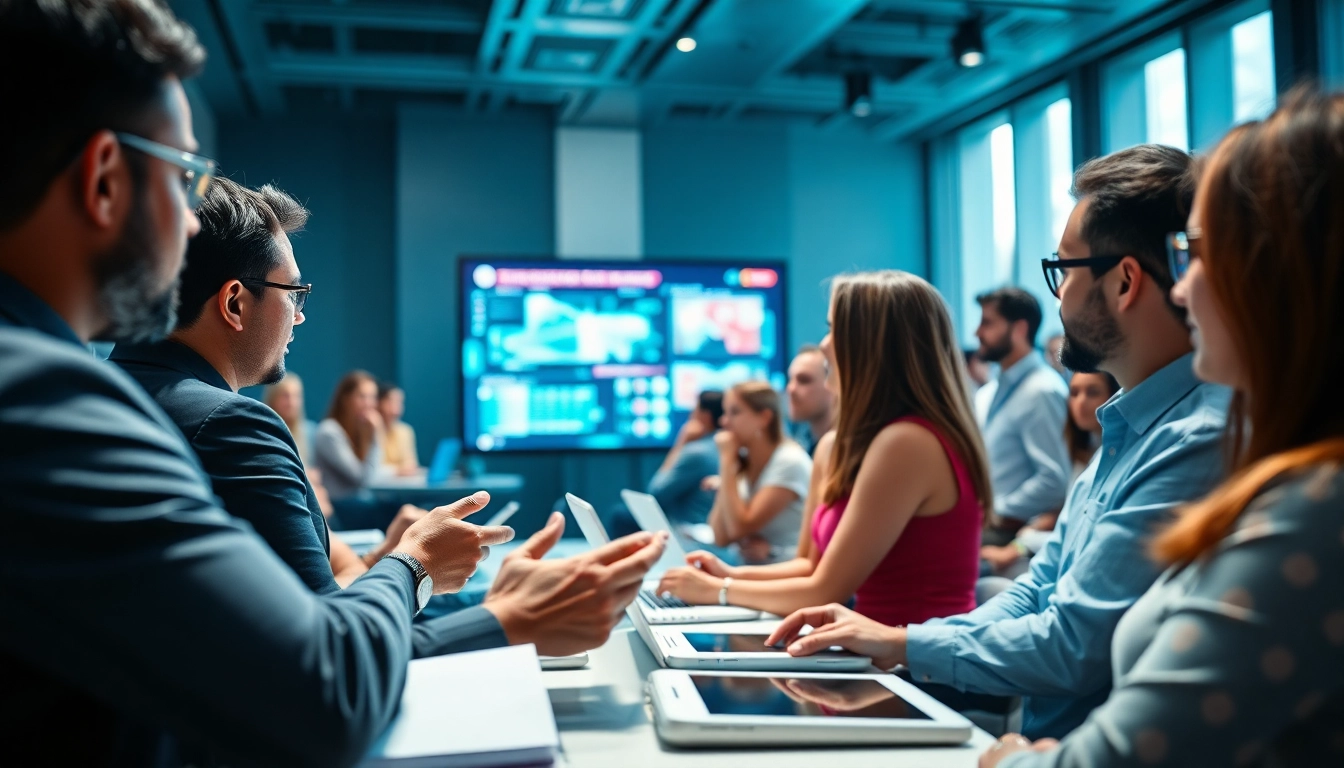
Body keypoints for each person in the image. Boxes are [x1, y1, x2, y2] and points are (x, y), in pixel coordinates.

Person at [0, 3, 666, 764]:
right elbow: (319, 688)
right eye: (184, 176)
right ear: (104, 179)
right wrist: (422, 571)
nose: (188, 226)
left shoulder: (81, 387)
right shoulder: (46, 402)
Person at [768, 144, 1232, 740]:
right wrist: (903, 643)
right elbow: (1040, 589)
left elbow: (1071, 646)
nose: (1057, 296)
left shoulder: (1192, 439)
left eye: (1064, 270)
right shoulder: (1125, 432)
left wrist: (906, 643)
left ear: (1123, 282)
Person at [982, 86, 1344, 768]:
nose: (1179, 288)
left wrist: (1010, 759)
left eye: (1198, 254)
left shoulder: (1317, 506)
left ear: (1283, 273)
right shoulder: (1300, 484)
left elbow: (1117, 755)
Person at [659, 272, 990, 626]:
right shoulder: (853, 444)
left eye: (834, 329)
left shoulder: (908, 442)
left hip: (916, 668)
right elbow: (811, 566)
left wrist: (717, 589)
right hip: (872, 656)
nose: (823, 345)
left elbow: (824, 589)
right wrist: (729, 576)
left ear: (870, 344)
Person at [982, 371, 1118, 579]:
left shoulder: (1114, 454)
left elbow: (1083, 528)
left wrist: (1020, 545)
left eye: (1092, 392)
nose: (1081, 402)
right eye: (1074, 393)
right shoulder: (1078, 453)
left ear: (1114, 394)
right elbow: (1068, 512)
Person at [973, 287, 1072, 546]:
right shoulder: (990, 391)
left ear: (1019, 329)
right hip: (983, 523)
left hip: (1007, 531)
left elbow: (1054, 480)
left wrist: (997, 513)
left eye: (987, 323)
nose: (977, 333)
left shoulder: (1042, 391)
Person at [702, 381, 812, 564]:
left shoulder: (789, 461)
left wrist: (726, 461)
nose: (724, 422)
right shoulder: (745, 460)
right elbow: (720, 537)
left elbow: (739, 528)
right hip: (756, 575)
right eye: (725, 412)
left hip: (787, 576)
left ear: (764, 417)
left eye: (734, 412)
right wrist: (729, 469)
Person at [647, 389, 724, 526]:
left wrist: (681, 442)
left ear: (705, 416)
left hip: (689, 532)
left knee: (621, 516)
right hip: (713, 528)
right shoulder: (729, 446)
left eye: (694, 410)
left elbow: (655, 492)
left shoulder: (696, 452)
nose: (691, 415)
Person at [315, 370, 386, 500]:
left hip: (356, 501)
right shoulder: (329, 431)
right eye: (362, 396)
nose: (368, 403)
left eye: (372, 397)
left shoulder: (360, 430)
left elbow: (373, 472)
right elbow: (362, 480)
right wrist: (376, 435)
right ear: (346, 399)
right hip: (338, 504)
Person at [785, 344, 837, 456]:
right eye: (790, 379)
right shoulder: (800, 447)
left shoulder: (846, 448)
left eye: (804, 380)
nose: (790, 389)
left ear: (833, 383)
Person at [266, 372, 317, 465]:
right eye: (285, 396)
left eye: (296, 396)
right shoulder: (263, 432)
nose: (291, 403)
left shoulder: (312, 434)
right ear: (273, 399)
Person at [378, 380, 421, 475]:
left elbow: (411, 464)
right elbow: (370, 469)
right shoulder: (369, 430)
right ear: (379, 403)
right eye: (391, 401)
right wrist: (397, 471)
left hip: (402, 484)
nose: (396, 407)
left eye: (399, 402)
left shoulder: (405, 431)